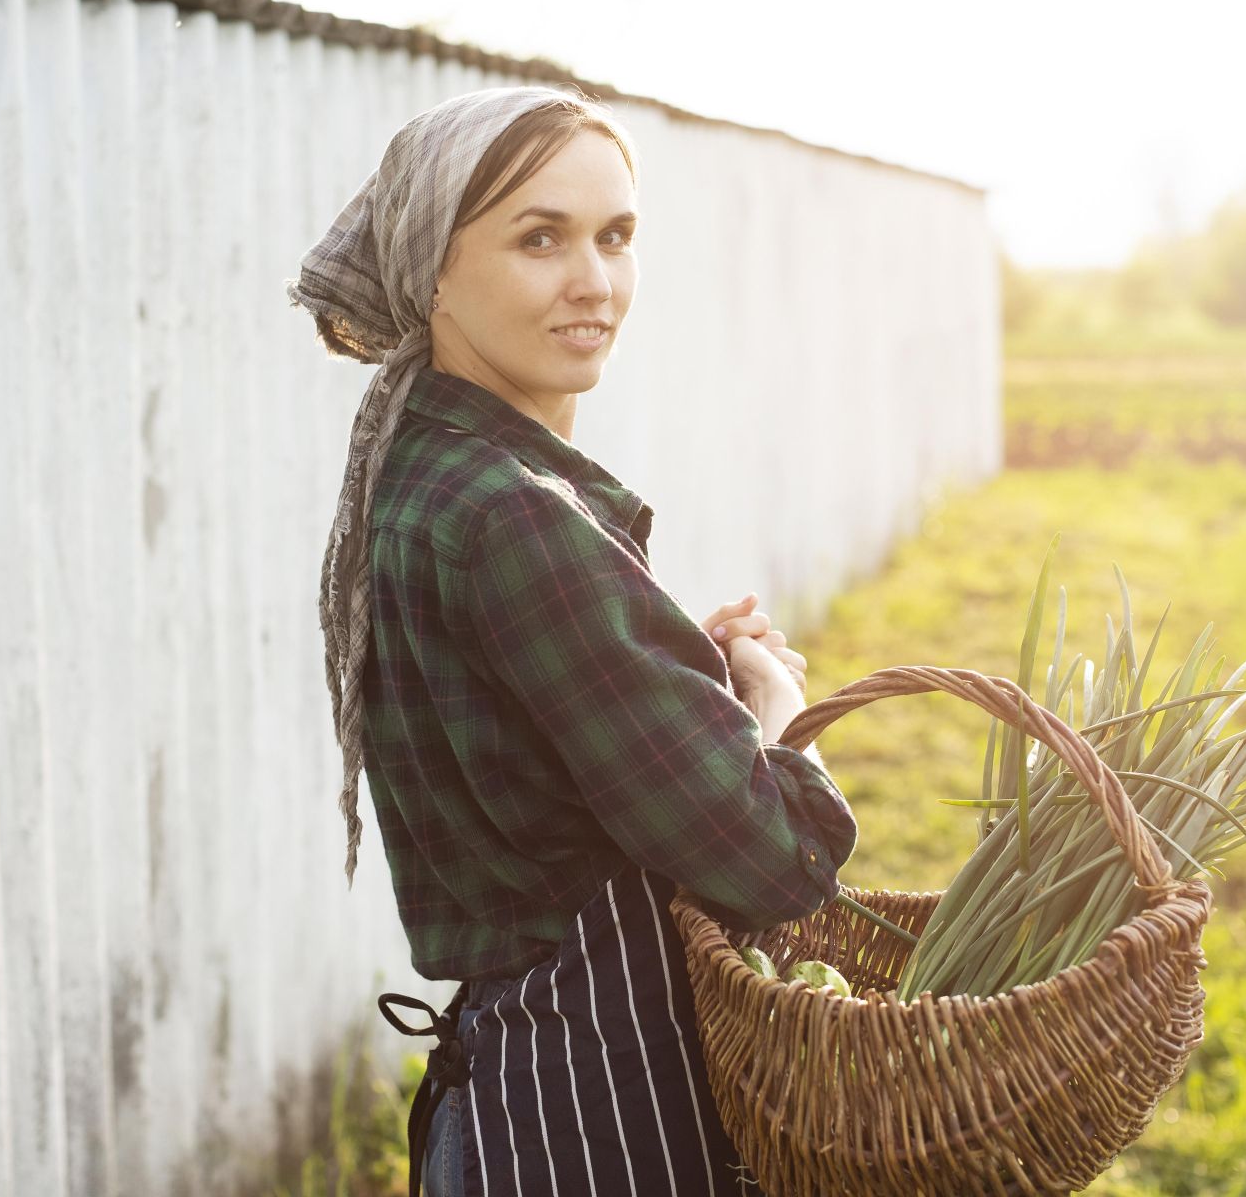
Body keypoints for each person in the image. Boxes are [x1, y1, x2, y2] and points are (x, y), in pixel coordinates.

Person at [285, 84, 857, 1197]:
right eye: (539, 237)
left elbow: (509, 736)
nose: (593, 281)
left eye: (616, 236)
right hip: (592, 1109)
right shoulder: (515, 514)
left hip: (516, 1089)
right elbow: (777, 857)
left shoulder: (427, 472)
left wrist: (662, 666)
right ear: (433, 269)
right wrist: (774, 701)